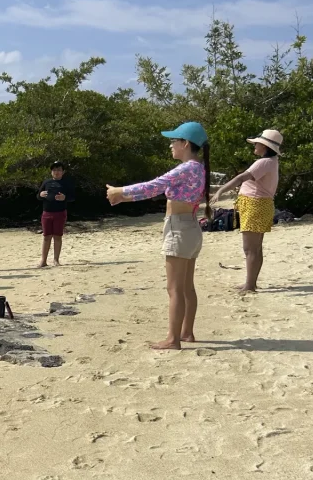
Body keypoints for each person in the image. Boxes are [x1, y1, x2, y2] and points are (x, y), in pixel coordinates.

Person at [107, 122, 211, 350]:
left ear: (185, 144)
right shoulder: (198, 168)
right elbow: (158, 191)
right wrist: (123, 198)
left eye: (173, 141)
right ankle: (187, 333)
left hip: (179, 228)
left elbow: (154, 185)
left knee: (174, 289)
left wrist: (120, 191)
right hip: (191, 228)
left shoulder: (186, 168)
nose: (171, 146)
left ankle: (173, 339)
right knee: (187, 287)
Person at [210, 129, 283, 292]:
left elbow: (241, 177)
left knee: (250, 249)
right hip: (261, 204)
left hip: (255, 205)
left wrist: (221, 191)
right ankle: (251, 283)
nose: (255, 146)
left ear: (265, 146)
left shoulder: (263, 162)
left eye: (257, 143)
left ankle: (249, 285)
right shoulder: (272, 161)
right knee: (256, 248)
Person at [37, 161, 75, 268]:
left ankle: (56, 260)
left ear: (63, 172)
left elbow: (73, 197)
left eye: (59, 170)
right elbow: (38, 196)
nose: (56, 172)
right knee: (46, 237)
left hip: (60, 213)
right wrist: (40, 194)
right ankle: (43, 261)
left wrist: (65, 198)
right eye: (54, 170)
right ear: (51, 172)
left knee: (57, 236)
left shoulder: (66, 183)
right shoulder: (46, 182)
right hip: (46, 213)